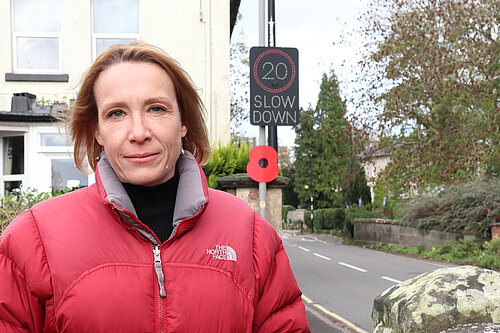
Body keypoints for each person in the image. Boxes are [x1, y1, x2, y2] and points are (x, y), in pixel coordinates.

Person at [0, 42, 310, 332]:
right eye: (116, 113)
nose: (138, 132)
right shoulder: (33, 239)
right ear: (97, 130)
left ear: (183, 122)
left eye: (156, 109)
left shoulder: (250, 235)